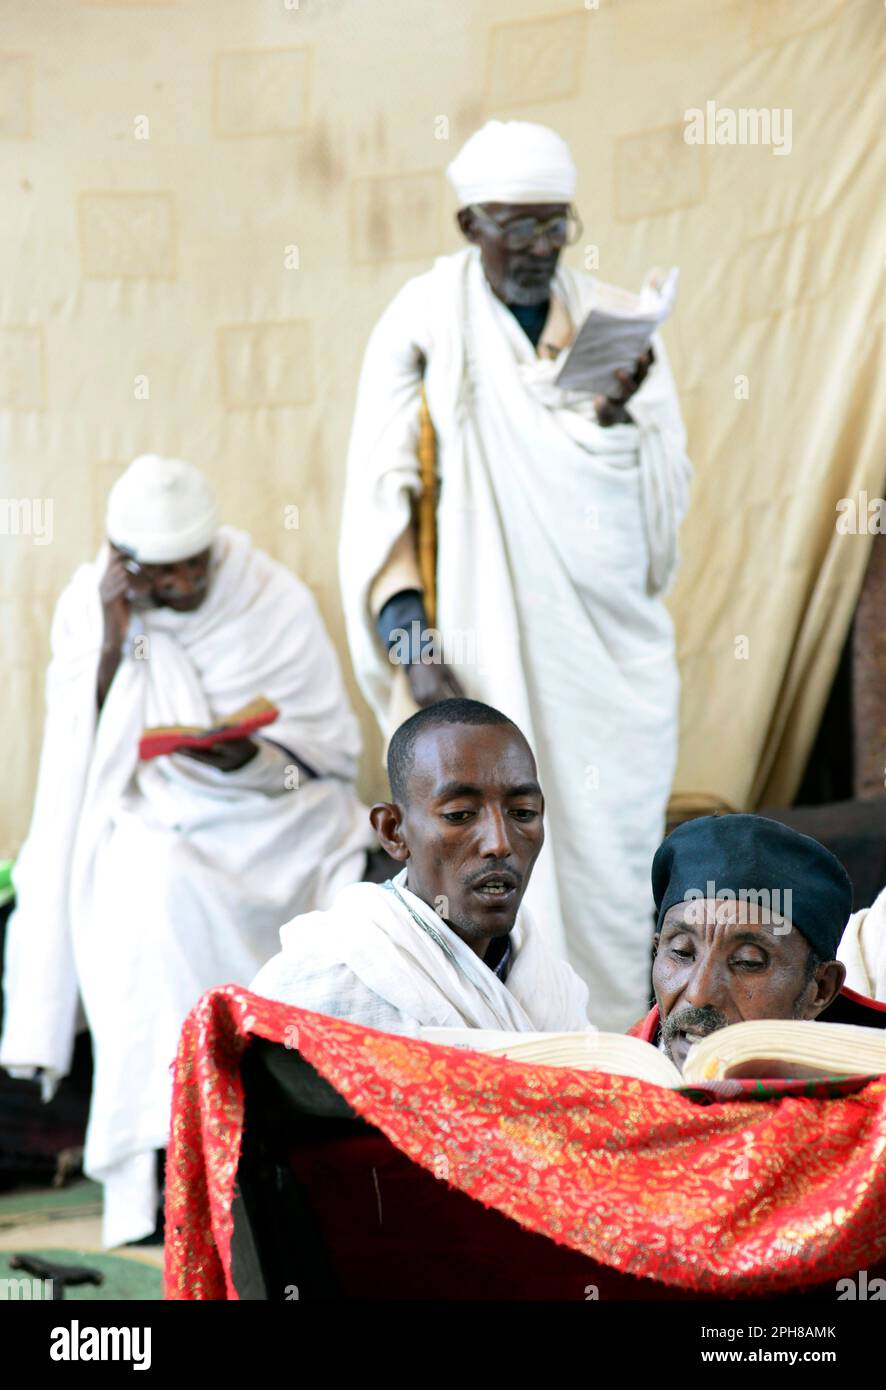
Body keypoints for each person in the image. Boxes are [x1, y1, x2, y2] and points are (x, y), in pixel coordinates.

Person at [340, 118, 692, 1030]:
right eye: (514, 226)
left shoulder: (612, 316)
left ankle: (618, 1064)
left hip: (608, 671)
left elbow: (655, 523)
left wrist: (613, 418)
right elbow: (387, 504)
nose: (538, 248)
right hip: (480, 654)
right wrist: (416, 656)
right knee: (491, 865)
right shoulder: (422, 324)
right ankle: (516, 1076)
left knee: (613, 875)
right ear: (469, 225)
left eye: (554, 226)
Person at [0, 454, 375, 1246]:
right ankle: (170, 1151)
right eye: (160, 575)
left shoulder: (269, 594)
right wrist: (111, 637)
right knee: (146, 881)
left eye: (191, 568)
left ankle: (268, 1143)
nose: (180, 586)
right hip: (158, 811)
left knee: (231, 876)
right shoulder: (92, 606)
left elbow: (330, 746)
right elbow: (80, 755)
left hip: (276, 812)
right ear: (126, 567)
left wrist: (252, 759)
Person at [250, 699, 591, 1036]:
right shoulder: (323, 984)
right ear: (392, 831)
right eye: (459, 815)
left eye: (522, 813)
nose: (499, 843)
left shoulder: (553, 990)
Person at [629, 813, 886, 1068]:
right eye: (681, 952)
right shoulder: (608, 1081)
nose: (698, 994)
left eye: (747, 962)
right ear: (656, 952)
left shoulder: (869, 1100)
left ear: (820, 989)